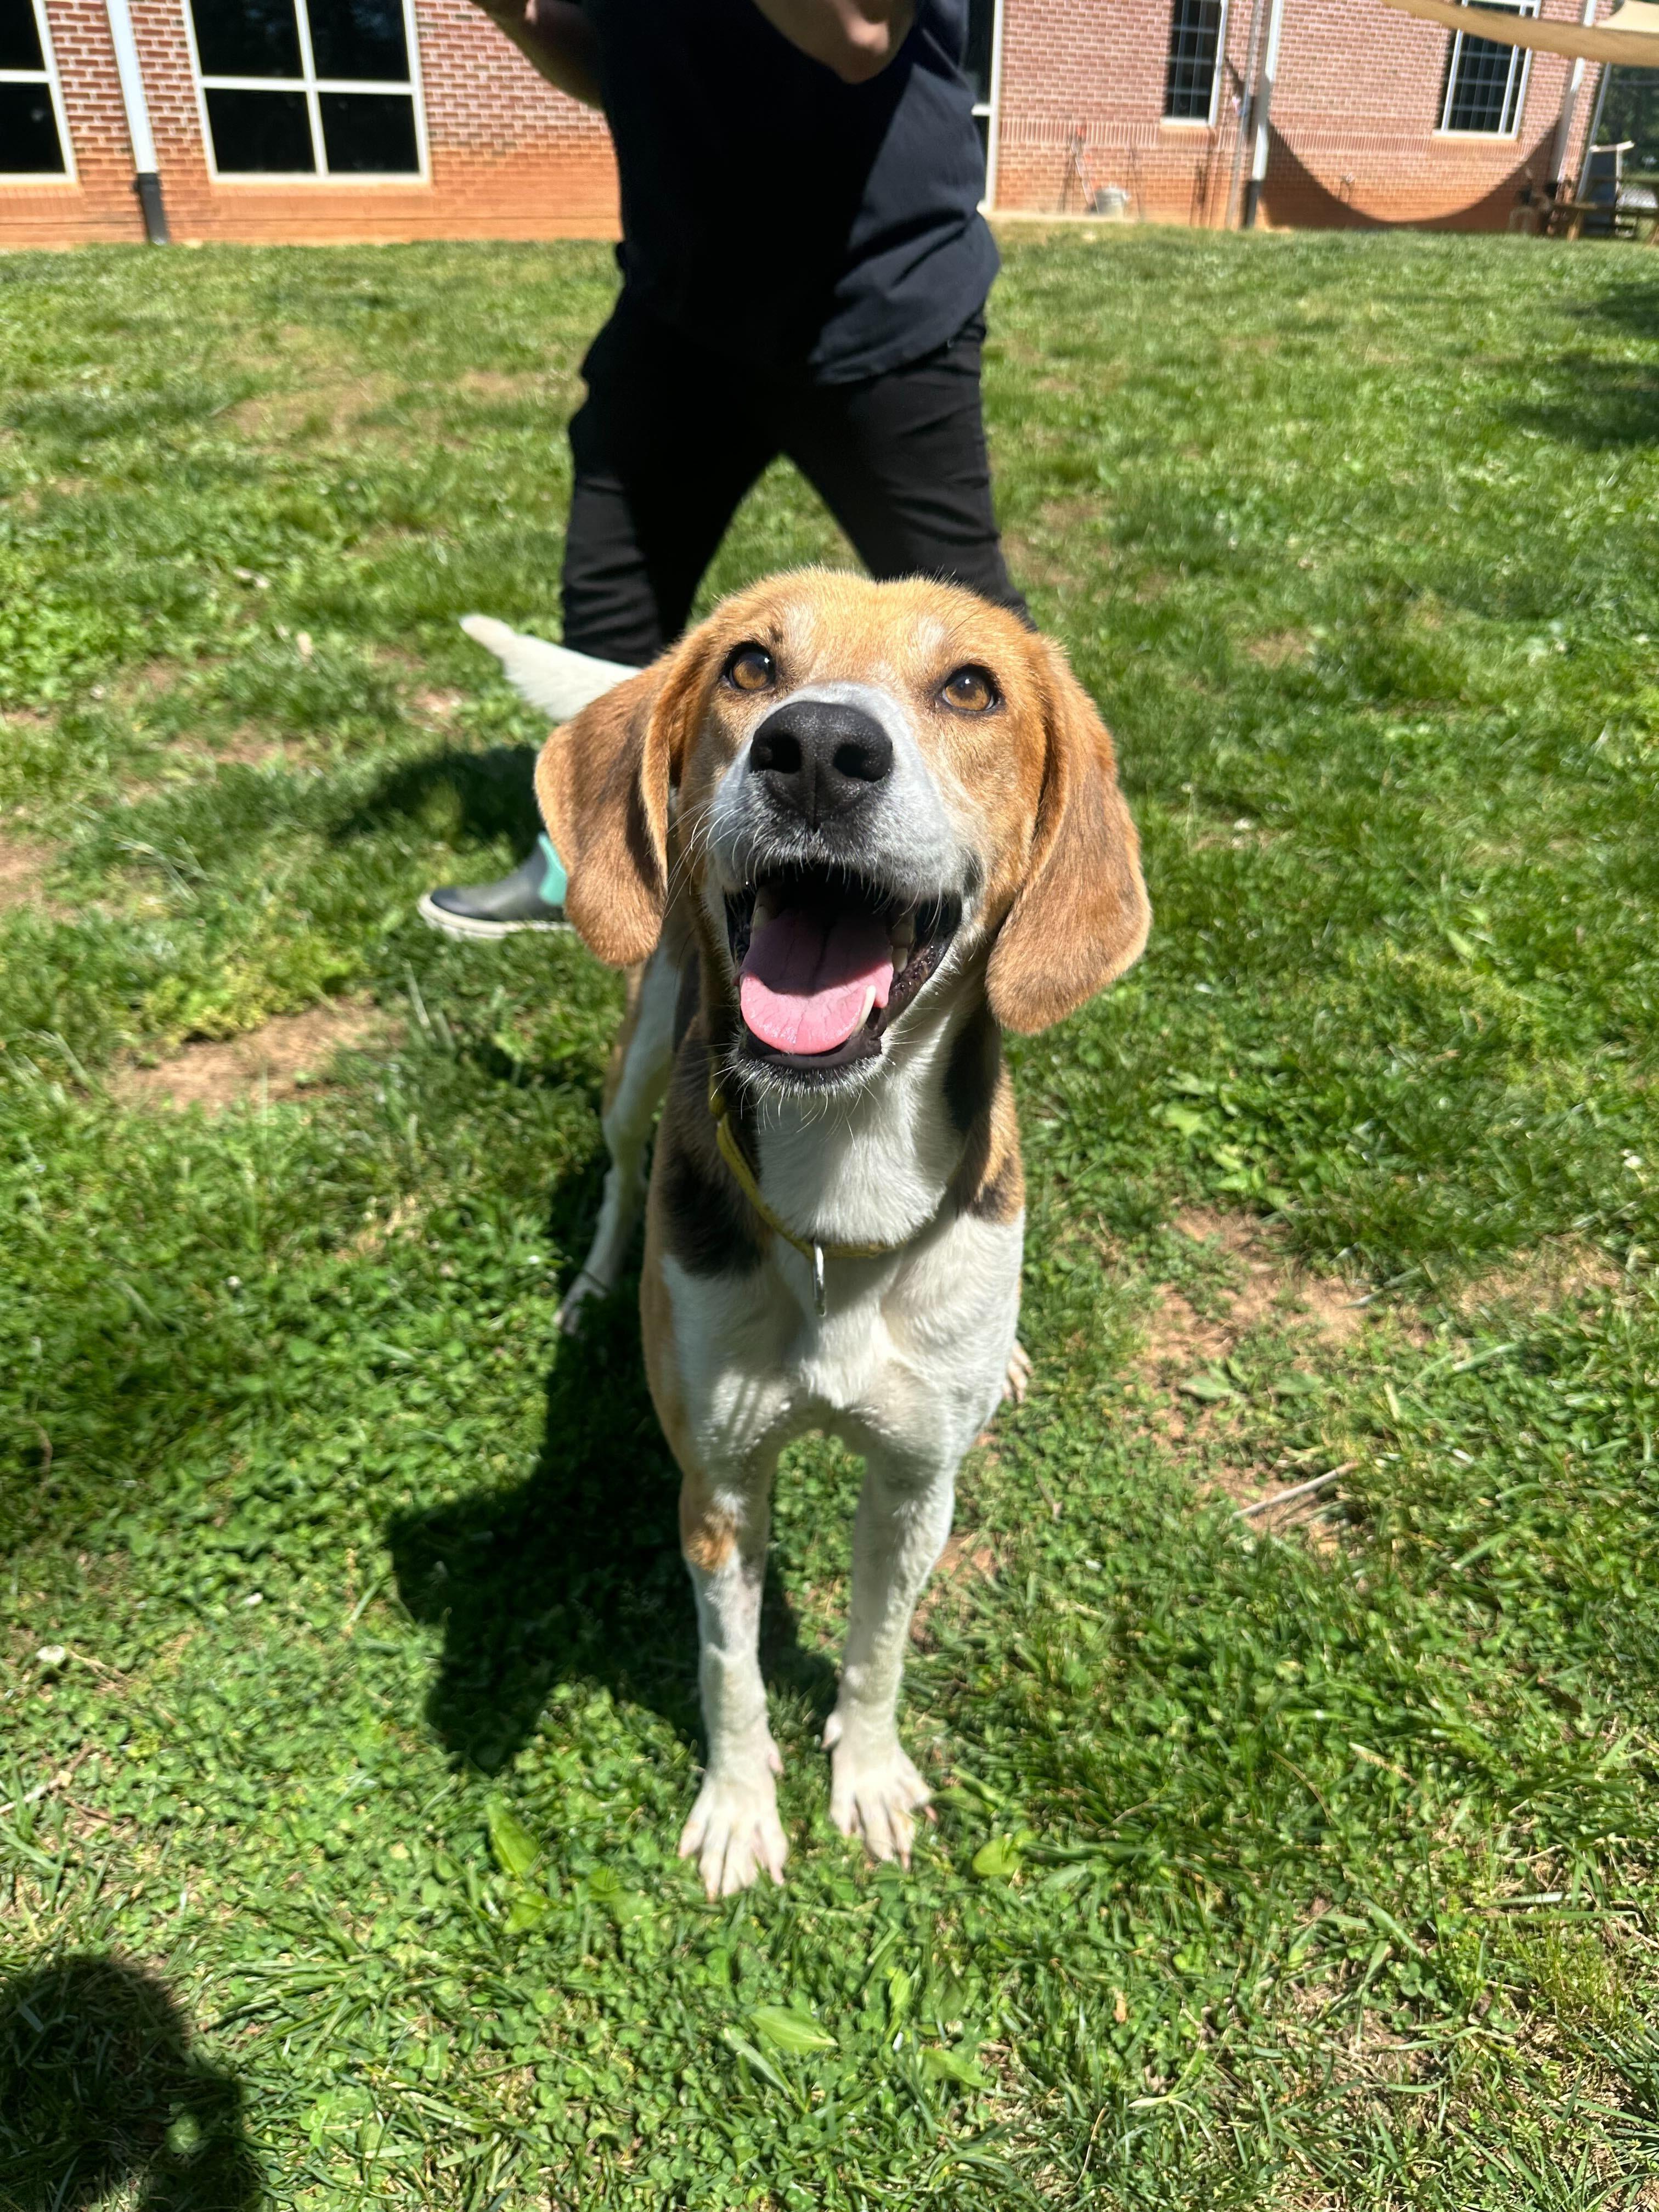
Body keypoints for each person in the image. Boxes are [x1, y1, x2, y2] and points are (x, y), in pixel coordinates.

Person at [420, 0, 1029, 939]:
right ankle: (590, 857)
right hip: (683, 296)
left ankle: (1039, 875)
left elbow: (856, 33)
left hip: (880, 296)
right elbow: (614, 61)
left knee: (971, 631)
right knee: (611, 586)